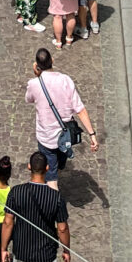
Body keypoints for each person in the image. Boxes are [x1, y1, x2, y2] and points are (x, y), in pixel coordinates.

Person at [26, 47, 98, 182]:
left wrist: (37, 76)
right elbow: (80, 109)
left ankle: (52, 198)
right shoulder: (66, 80)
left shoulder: (33, 84)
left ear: (36, 66)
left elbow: (29, 99)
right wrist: (92, 134)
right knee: (60, 162)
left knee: (50, 174)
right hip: (65, 136)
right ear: (52, 60)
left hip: (46, 138)